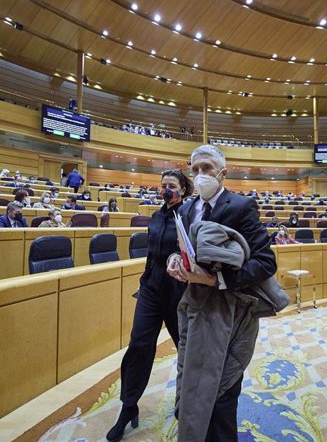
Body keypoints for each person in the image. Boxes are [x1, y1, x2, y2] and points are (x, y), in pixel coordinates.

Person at [166, 145, 277, 441]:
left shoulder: (241, 206)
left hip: (230, 312)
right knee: (192, 384)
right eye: (195, 169)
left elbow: (266, 263)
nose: (200, 175)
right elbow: (182, 251)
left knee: (221, 395)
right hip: (195, 308)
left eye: (207, 168)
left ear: (223, 173)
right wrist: (174, 261)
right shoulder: (187, 208)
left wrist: (218, 279)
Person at [106, 170, 193, 442]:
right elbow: (151, 255)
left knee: (186, 351)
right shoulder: (156, 217)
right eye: (163, 185)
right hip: (151, 289)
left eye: (171, 186)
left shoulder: (189, 217)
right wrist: (144, 283)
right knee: (139, 346)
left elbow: (192, 251)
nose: (166, 190)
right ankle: (128, 407)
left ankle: (188, 408)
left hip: (178, 290)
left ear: (183, 190)